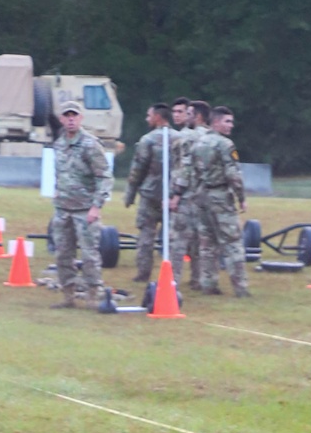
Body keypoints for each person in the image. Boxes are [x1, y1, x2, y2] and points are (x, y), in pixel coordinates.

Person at [50, 98, 112, 308]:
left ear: (80, 118)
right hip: (63, 209)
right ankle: (68, 296)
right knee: (62, 254)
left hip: (85, 210)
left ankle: (93, 296)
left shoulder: (90, 144)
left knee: (89, 255)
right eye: (66, 116)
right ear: (61, 119)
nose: (70, 120)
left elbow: (104, 176)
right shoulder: (59, 144)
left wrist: (96, 206)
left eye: (74, 116)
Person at [187, 104, 249, 297]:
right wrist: (241, 198)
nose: (231, 126)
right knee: (232, 242)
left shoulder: (198, 143)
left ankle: (208, 284)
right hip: (220, 196)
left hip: (201, 196)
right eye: (227, 121)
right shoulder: (225, 144)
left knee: (207, 244)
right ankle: (240, 287)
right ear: (215, 122)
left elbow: (191, 172)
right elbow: (233, 174)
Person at [123, 103, 175, 284]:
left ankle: (143, 273)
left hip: (150, 194)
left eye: (149, 115)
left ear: (158, 117)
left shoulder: (148, 140)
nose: (147, 119)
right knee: (174, 238)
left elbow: (137, 170)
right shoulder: (181, 139)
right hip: (175, 196)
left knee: (146, 236)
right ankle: (173, 275)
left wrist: (130, 194)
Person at [169, 97, 206, 285]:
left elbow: (184, 167)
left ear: (197, 116)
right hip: (206, 196)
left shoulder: (186, 137)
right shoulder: (213, 137)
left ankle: (173, 278)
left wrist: (175, 194)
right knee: (201, 240)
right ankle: (198, 278)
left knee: (178, 239)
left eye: (188, 114)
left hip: (187, 195)